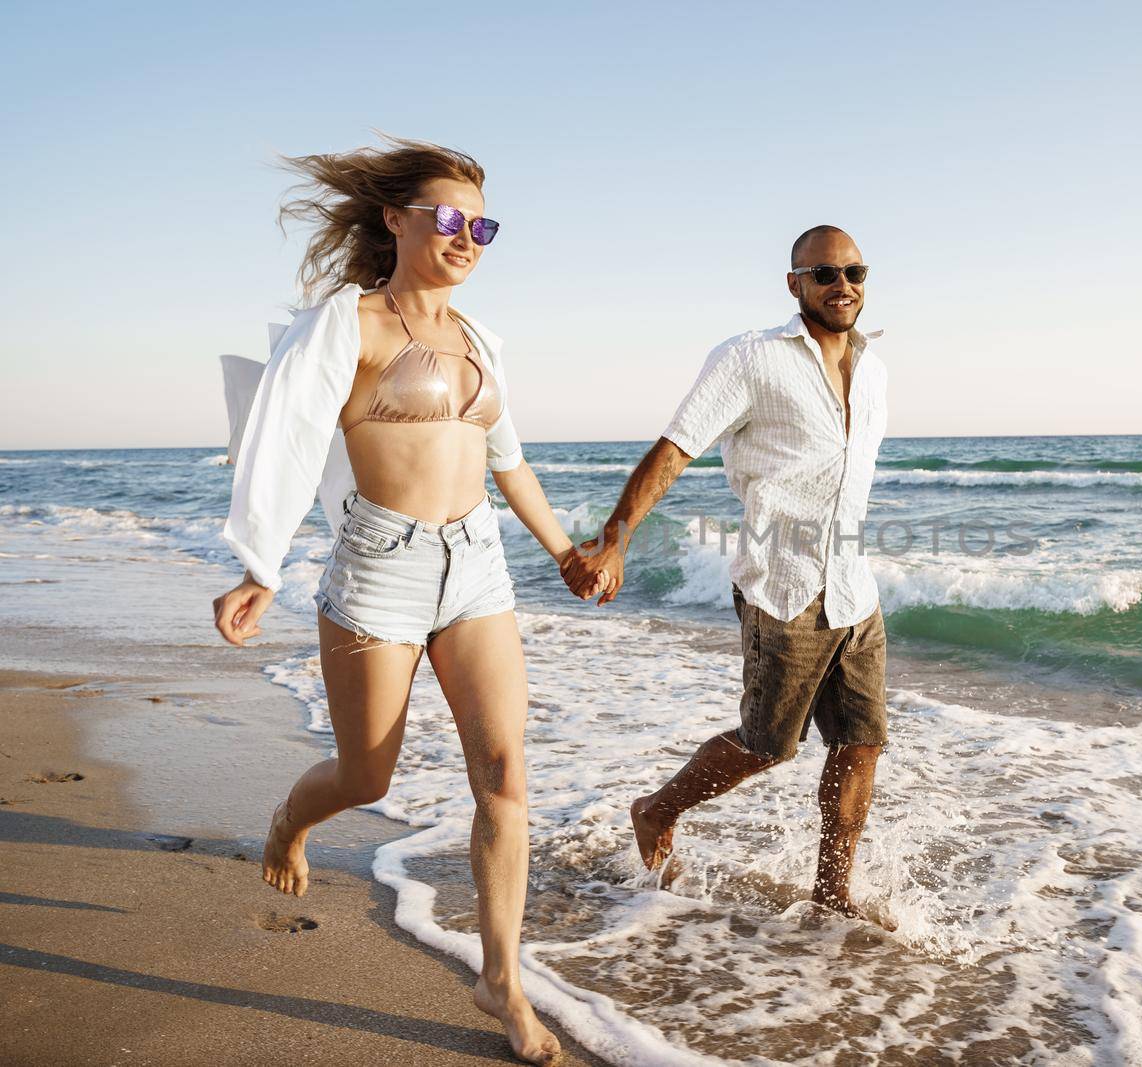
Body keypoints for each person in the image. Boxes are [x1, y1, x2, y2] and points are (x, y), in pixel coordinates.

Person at [213, 137, 600, 1064]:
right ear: (395, 219)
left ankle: (501, 975)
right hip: (378, 569)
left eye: (482, 224)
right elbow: (286, 433)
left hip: (477, 568)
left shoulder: (479, 341)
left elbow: (508, 459)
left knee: (506, 777)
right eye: (448, 217)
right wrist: (260, 561)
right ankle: (290, 820)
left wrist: (564, 553)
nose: (467, 236)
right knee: (366, 777)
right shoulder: (350, 325)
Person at [561, 225, 893, 925]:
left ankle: (833, 891)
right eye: (826, 274)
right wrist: (615, 539)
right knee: (767, 743)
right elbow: (676, 448)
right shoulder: (751, 357)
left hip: (853, 586)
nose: (844, 286)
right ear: (794, 282)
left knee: (861, 741)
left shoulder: (875, 367)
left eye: (856, 272)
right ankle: (656, 809)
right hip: (782, 583)